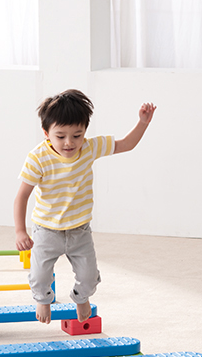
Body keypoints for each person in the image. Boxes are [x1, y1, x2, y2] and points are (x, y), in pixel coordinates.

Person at [14, 89, 157, 324]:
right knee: (39, 276)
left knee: (89, 277)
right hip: (47, 230)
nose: (69, 143)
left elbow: (126, 144)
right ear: (46, 133)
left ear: (84, 132)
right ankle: (43, 299)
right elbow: (22, 196)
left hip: (79, 231)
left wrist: (142, 123)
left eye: (77, 135)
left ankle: (81, 298)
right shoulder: (38, 157)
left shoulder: (90, 148)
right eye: (60, 136)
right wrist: (20, 231)